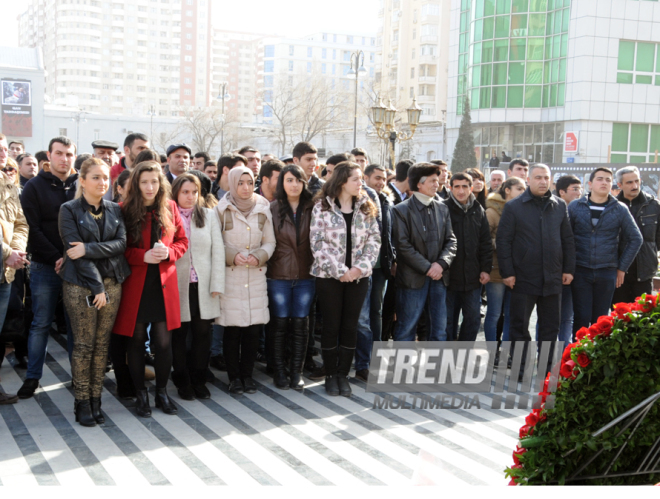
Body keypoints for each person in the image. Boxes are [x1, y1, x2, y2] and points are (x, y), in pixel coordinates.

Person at [112, 161, 188, 417]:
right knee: (135, 340)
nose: (149, 186)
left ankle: (161, 392)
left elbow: (182, 241)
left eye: (154, 181)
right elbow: (117, 248)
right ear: (136, 184)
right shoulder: (123, 210)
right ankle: (140, 394)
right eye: (144, 181)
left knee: (164, 343)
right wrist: (140, 256)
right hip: (136, 284)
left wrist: (169, 253)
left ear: (161, 183)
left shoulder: (170, 207)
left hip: (163, 284)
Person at [58, 158, 130, 426]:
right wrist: (97, 286)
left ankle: (97, 399)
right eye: (96, 177)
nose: (102, 182)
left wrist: (88, 247)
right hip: (81, 285)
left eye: (105, 178)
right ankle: (82, 402)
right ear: (83, 181)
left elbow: (120, 243)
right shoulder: (69, 209)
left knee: (102, 345)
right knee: (84, 345)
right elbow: (74, 253)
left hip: (113, 282)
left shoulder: (114, 209)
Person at [497, 164, 576, 377]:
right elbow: (503, 241)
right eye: (538, 177)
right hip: (522, 277)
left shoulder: (559, 205)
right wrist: (507, 272)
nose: (542, 181)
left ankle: (547, 369)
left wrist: (568, 268)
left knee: (551, 327)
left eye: (546, 177)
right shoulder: (514, 207)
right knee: (519, 325)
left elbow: (567, 239)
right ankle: (521, 368)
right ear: (529, 180)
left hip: (553, 276)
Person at [311, 162, 380, 397]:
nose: (361, 183)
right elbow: (317, 243)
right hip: (330, 277)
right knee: (331, 325)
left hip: (359, 278)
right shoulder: (322, 207)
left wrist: (358, 269)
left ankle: (343, 375)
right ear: (342, 181)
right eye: (356, 179)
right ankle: (330, 375)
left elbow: (374, 241)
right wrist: (340, 270)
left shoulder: (366, 206)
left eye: (361, 178)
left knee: (350, 326)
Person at [18, 136, 78, 399]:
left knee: (76, 324)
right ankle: (32, 377)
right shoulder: (33, 187)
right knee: (41, 323)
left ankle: (80, 376)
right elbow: (31, 228)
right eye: (59, 153)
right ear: (49, 157)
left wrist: (71, 258)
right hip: (45, 266)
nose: (64, 159)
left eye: (69, 154)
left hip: (78, 267)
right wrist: (56, 256)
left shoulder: (82, 184)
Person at [215, 166, 275, 395]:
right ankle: (234, 378)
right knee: (232, 331)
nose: (245, 187)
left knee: (252, 331)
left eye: (249, 182)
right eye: (240, 183)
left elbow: (270, 242)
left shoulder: (263, 208)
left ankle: (248, 376)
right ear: (231, 183)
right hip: (231, 276)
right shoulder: (220, 209)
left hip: (256, 275)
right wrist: (232, 256)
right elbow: (215, 242)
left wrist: (259, 256)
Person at [568, 167, 642, 334]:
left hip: (606, 271)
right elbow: (566, 238)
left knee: (601, 319)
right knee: (581, 316)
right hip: (580, 270)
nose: (604, 182)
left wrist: (622, 267)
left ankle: (597, 358)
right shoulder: (575, 207)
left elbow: (636, 238)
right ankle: (576, 357)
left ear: (613, 184)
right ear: (590, 184)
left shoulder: (619, 208)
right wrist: (568, 267)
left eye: (608, 180)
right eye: (600, 179)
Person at [170, 174, 224, 400]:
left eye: (195, 192)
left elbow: (218, 251)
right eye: (185, 192)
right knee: (180, 334)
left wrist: (217, 283)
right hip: (177, 285)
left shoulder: (209, 215)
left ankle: (199, 378)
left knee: (203, 333)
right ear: (176, 193)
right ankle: (182, 379)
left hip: (203, 284)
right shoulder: (168, 215)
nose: (190, 197)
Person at [391, 163, 456, 342]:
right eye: (432, 181)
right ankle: (403, 368)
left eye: (438, 180)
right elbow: (403, 246)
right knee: (407, 326)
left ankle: (435, 367)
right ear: (419, 184)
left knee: (439, 328)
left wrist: (441, 264)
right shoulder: (400, 210)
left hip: (439, 278)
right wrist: (428, 268)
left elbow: (451, 240)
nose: (437, 184)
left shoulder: (442, 208)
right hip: (413, 279)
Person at [267, 164, 315, 390]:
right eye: (289, 180)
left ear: (304, 182)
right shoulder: (272, 208)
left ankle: (296, 372)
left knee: (300, 324)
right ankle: (279, 371)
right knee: (279, 324)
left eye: (298, 180)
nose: (294, 185)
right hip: (279, 274)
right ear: (281, 183)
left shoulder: (314, 207)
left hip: (307, 273)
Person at [354, 164, 394, 381]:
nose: (381, 182)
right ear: (365, 177)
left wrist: (391, 257)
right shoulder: (361, 197)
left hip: (380, 266)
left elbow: (386, 233)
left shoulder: (386, 200)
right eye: (377, 178)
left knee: (375, 313)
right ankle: (361, 360)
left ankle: (372, 357)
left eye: (384, 179)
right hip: (360, 267)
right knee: (362, 316)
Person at [444, 172, 492, 342]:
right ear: (450, 188)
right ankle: (448, 356)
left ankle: (462, 354)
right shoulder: (443, 208)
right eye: (456, 186)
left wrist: (486, 269)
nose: (461, 190)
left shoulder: (478, 209)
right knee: (448, 321)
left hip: (473, 277)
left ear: (471, 188)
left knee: (473, 319)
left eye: (465, 186)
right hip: (449, 277)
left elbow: (485, 242)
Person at [0, 134, 29, 404]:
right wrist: (7, 253)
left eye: (2, 149)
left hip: (5, 273)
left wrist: (16, 251)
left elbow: (20, 222)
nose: (2, 154)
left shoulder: (9, 182)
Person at [484, 177, 525, 343]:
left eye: (524, 189)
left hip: (517, 270)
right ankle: (492, 350)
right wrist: (504, 244)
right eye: (519, 189)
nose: (523, 192)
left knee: (511, 315)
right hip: (496, 270)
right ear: (507, 190)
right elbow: (484, 240)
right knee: (494, 313)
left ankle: (508, 353)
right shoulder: (492, 212)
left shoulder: (523, 210)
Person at [610, 167, 660, 304]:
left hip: (644, 272)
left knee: (643, 317)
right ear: (619, 185)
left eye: (637, 181)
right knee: (619, 317)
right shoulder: (612, 206)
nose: (635, 186)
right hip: (619, 272)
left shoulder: (653, 205)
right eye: (629, 182)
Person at [554, 175, 584, 342]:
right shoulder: (551, 210)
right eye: (574, 189)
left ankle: (565, 351)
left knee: (567, 316)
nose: (578, 193)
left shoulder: (581, 209)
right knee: (549, 317)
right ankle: (544, 352)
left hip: (574, 271)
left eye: (580, 189)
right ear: (562, 192)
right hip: (553, 271)